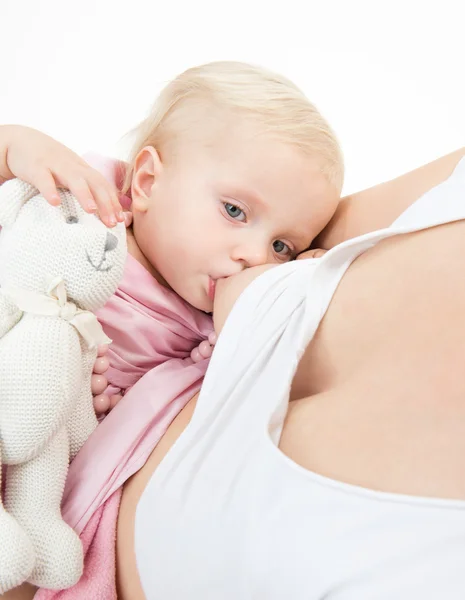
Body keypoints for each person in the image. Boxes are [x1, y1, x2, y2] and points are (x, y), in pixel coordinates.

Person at [0, 60, 342, 596]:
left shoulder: (199, 334)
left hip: (35, 462)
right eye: (235, 210)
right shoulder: (83, 199)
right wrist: (15, 145)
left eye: (282, 246)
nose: (253, 254)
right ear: (147, 180)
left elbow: (138, 434)